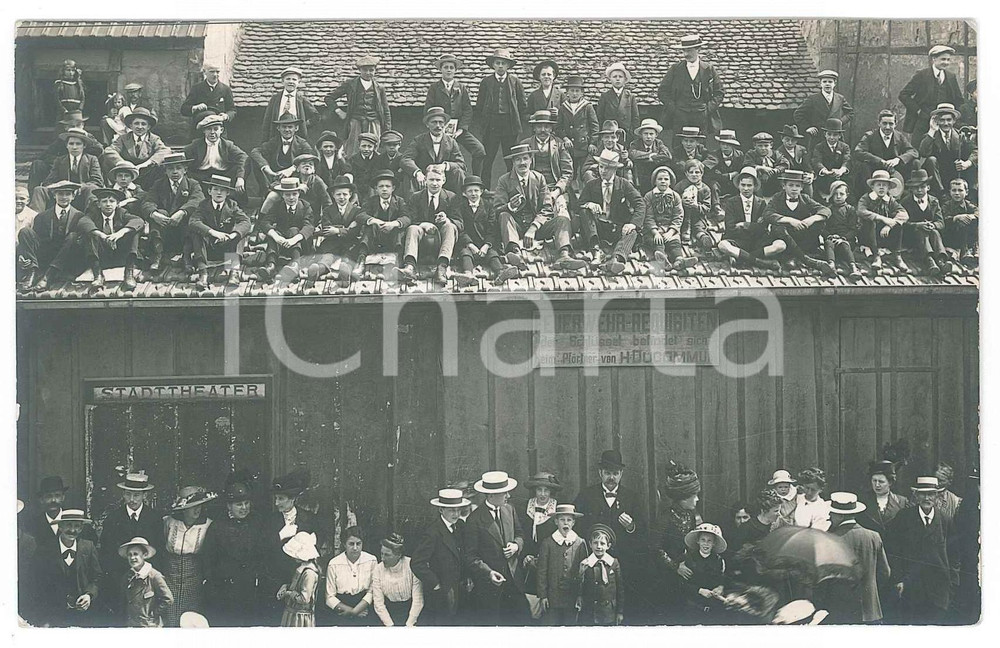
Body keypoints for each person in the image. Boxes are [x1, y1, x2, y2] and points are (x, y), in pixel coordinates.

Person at [573, 450, 646, 619]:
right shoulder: (586, 495)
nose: (611, 478)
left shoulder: (632, 497)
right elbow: (575, 525)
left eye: (615, 473)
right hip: (593, 560)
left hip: (623, 560)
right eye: (607, 473)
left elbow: (643, 530)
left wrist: (631, 526)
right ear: (600, 473)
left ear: (621, 474)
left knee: (621, 601)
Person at [493, 144, 584, 273]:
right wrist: (510, 206)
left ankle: (564, 255)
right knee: (504, 216)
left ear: (531, 160)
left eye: (525, 158)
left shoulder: (539, 178)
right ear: (513, 162)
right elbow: (496, 209)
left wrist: (533, 227)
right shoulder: (504, 180)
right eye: (518, 160)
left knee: (562, 220)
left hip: (537, 227)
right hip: (516, 227)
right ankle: (515, 254)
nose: (522, 163)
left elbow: (547, 207)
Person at [887, 476, 956, 624]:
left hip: (938, 589)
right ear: (916, 495)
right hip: (911, 587)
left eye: (931, 494)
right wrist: (899, 579)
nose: (927, 498)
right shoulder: (904, 517)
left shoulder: (945, 519)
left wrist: (951, 584)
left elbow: (954, 554)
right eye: (923, 494)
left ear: (937, 496)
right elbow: (893, 551)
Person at [463, 470, 528, 625]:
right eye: (504, 493)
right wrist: (489, 573)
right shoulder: (474, 519)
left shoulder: (509, 509)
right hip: (490, 587)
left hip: (514, 582)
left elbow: (520, 534)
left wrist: (516, 546)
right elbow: (470, 557)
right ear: (491, 495)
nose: (508, 496)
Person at [97, 471, 163, 621]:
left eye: (137, 495)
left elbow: (159, 551)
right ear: (123, 494)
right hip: (119, 580)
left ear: (145, 495)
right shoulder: (113, 518)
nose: (132, 499)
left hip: (147, 583)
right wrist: (115, 578)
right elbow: (106, 553)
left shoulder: (155, 518)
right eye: (128, 494)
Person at [201, 472, 262, 627]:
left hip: (249, 590)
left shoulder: (256, 524)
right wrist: (212, 588)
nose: (244, 508)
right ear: (229, 506)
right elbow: (207, 560)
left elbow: (263, 555)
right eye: (239, 504)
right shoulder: (217, 526)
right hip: (224, 591)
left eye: (246, 503)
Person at [28, 508, 102, 627]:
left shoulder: (88, 547)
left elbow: (97, 576)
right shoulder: (45, 550)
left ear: (82, 528)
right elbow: (36, 582)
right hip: (53, 614)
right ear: (60, 527)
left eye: (77, 526)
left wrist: (89, 595)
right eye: (68, 525)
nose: (72, 530)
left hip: (83, 614)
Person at [577, 149, 645, 275]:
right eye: (601, 167)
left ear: (614, 169)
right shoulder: (592, 185)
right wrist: (589, 204)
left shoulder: (624, 184)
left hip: (617, 227)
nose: (603, 171)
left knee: (633, 232)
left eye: (607, 168)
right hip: (598, 228)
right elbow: (579, 204)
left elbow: (640, 204)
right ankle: (596, 252)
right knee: (584, 212)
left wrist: (633, 224)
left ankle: (616, 259)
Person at [261, 469, 316, 624]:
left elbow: (313, 551)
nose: (277, 502)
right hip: (275, 581)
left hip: (300, 585)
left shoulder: (308, 519)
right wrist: (279, 536)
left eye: (281, 499)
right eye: (276, 498)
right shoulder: (269, 521)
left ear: (292, 499)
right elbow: (262, 552)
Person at [650, 463, 703, 623]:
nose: (697, 499)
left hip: (689, 577)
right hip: (668, 580)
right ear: (683, 497)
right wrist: (675, 567)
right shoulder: (664, 519)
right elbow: (655, 549)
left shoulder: (693, 515)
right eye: (694, 496)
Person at [138, 152, 204, 278]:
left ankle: (186, 257)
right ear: (165, 171)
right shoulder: (159, 184)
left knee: (193, 215)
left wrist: (182, 212)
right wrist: (154, 214)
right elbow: (147, 202)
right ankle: (158, 255)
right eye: (170, 168)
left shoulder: (193, 184)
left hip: (184, 232)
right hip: (165, 232)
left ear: (185, 170)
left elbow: (198, 200)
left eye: (178, 168)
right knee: (158, 213)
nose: (175, 172)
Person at [827, 492, 890, 624]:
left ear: (841, 515)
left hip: (840, 610)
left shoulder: (830, 539)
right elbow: (885, 573)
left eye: (832, 513)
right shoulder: (874, 536)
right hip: (871, 611)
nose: (829, 516)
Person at [411, 488, 471, 625]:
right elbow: (417, 563)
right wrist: (435, 584)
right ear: (441, 510)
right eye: (451, 510)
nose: (456, 514)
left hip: (459, 589)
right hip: (442, 593)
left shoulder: (460, 527)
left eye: (458, 510)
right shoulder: (433, 533)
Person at [16, 182, 89, 291]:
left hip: (67, 259)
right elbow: (34, 243)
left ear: (73, 196)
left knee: (73, 236)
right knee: (25, 232)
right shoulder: (42, 216)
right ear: (54, 195)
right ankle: (32, 273)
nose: (64, 197)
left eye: (67, 194)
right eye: (60, 194)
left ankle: (47, 277)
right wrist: (24, 254)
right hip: (46, 257)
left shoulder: (80, 216)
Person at [160, 486, 215, 626]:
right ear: (184, 509)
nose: (197, 510)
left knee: (190, 616)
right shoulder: (169, 522)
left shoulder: (207, 525)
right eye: (192, 507)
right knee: (169, 610)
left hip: (193, 574)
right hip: (171, 572)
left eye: (199, 506)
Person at [397, 164, 459, 286]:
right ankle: (409, 266)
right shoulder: (416, 197)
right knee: (413, 228)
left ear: (444, 180)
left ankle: (442, 268)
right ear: (425, 180)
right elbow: (410, 219)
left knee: (450, 226)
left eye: (438, 180)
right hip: (422, 241)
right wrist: (423, 224)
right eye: (431, 180)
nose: (434, 183)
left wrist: (447, 219)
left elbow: (460, 223)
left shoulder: (452, 197)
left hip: (442, 241)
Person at [425, 53, 486, 177]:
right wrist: (438, 127)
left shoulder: (461, 88)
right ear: (440, 69)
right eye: (445, 67)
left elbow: (468, 110)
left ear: (455, 70)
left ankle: (475, 181)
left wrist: (461, 130)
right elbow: (428, 110)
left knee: (479, 150)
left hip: (458, 130)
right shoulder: (434, 88)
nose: (448, 70)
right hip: (439, 130)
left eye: (451, 67)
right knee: (440, 155)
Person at [187, 174, 251, 289]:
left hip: (227, 249)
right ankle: (203, 273)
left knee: (240, 234)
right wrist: (213, 232)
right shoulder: (203, 205)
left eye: (223, 190)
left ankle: (234, 272)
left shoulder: (232, 205)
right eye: (215, 189)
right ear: (209, 191)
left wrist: (232, 235)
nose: (219, 193)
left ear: (228, 193)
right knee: (196, 232)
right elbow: (193, 221)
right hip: (208, 248)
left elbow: (246, 221)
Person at [476, 48, 528, 189]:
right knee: (487, 160)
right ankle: (485, 190)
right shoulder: (486, 82)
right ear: (493, 65)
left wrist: (522, 123)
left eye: (503, 63)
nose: (500, 66)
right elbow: (480, 105)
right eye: (497, 63)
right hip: (491, 126)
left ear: (508, 66)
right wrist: (484, 123)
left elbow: (523, 105)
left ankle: (512, 190)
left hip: (509, 126)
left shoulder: (515, 82)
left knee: (511, 160)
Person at [657, 34, 725, 140]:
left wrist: (708, 109)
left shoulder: (709, 69)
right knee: (678, 145)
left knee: (700, 146)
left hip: (701, 115)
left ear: (698, 49)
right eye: (684, 51)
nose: (686, 54)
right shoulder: (675, 69)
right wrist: (674, 108)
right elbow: (662, 91)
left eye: (689, 50)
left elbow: (719, 93)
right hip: (680, 116)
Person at [450, 175, 515, 286]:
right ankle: (468, 274)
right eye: (470, 191)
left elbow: (492, 228)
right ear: (464, 193)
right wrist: (470, 245)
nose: (473, 194)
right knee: (465, 254)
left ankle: (500, 273)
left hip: (484, 243)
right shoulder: (459, 206)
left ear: (481, 191)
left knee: (493, 254)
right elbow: (460, 228)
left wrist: (486, 245)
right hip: (467, 243)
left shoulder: (488, 206)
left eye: (476, 190)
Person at [717, 167, 784, 272]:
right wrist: (754, 227)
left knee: (781, 245)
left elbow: (763, 228)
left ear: (755, 186)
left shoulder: (761, 203)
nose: (746, 189)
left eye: (749, 185)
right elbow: (730, 228)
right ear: (738, 185)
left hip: (756, 242)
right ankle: (760, 262)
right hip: (738, 241)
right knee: (723, 245)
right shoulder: (730, 202)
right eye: (743, 185)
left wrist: (745, 225)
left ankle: (742, 258)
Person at [77, 187, 144, 290]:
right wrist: (102, 235)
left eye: (112, 201)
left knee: (133, 232)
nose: (108, 204)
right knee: (90, 234)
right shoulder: (94, 213)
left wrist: (120, 233)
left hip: (121, 255)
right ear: (98, 204)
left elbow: (138, 221)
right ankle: (98, 275)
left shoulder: (122, 213)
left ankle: (129, 273)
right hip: (101, 256)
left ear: (117, 204)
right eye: (104, 201)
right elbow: (83, 222)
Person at [763, 169, 831, 272]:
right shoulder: (777, 198)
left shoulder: (805, 198)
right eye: (791, 185)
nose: (794, 189)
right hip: (786, 237)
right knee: (778, 227)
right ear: (784, 186)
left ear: (802, 188)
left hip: (801, 237)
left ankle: (800, 256)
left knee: (820, 222)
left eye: (797, 186)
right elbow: (767, 214)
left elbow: (826, 210)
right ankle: (805, 259)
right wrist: (790, 220)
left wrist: (812, 219)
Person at [327, 55, 392, 157]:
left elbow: (386, 110)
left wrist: (387, 130)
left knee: (373, 148)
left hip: (374, 122)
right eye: (365, 70)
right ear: (359, 70)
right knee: (353, 149)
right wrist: (339, 111)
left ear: (375, 71)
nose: (368, 73)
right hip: (355, 121)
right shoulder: (350, 84)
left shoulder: (380, 88)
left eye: (371, 70)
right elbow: (329, 98)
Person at [255, 177, 315, 284]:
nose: (291, 198)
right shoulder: (278, 205)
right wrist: (277, 237)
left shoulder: (306, 206)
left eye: (294, 194)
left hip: (300, 246)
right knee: (273, 233)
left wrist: (293, 240)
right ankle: (271, 266)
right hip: (281, 244)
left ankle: (295, 265)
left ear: (299, 194)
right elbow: (265, 222)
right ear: (282, 195)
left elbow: (309, 227)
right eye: (287, 195)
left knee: (293, 230)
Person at [898, 44, 964, 143]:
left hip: (944, 123)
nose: (946, 62)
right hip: (922, 121)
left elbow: (958, 99)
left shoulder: (951, 77)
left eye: (948, 60)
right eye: (943, 59)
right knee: (918, 150)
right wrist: (918, 111)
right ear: (934, 59)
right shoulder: (922, 75)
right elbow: (903, 95)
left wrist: (953, 116)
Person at [29, 127, 103, 213]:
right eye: (71, 144)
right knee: (39, 189)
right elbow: (49, 181)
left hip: (82, 194)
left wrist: (81, 187)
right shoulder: (60, 160)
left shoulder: (91, 159)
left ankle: (91, 219)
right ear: (66, 145)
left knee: (92, 188)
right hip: (62, 193)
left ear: (84, 146)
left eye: (78, 144)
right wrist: (59, 187)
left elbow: (98, 181)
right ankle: (35, 219)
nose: (74, 147)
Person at [304, 174, 362, 283]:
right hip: (331, 243)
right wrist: (345, 229)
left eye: (345, 194)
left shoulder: (357, 211)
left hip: (349, 243)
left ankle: (345, 273)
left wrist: (337, 230)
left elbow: (356, 231)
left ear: (350, 195)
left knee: (347, 259)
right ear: (333, 195)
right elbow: (326, 227)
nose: (341, 197)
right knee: (327, 258)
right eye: (338, 194)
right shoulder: (327, 210)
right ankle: (317, 271)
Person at [535, 503, 587, 625]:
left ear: (573, 523)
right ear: (556, 522)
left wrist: (580, 595)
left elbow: (583, 572)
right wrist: (543, 596)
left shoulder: (580, 543)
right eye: (562, 520)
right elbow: (542, 571)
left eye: (569, 520)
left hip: (572, 597)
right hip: (552, 597)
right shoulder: (548, 543)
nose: (566, 523)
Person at [520, 471, 562, 620]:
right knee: (530, 599)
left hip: (550, 561)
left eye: (546, 490)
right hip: (528, 562)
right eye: (539, 490)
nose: (543, 494)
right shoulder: (525, 508)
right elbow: (521, 534)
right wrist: (526, 555)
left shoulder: (557, 509)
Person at [642, 165, 699, 274]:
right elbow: (648, 217)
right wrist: (655, 232)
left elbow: (678, 216)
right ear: (655, 181)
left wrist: (671, 231)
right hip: (654, 230)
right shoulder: (649, 196)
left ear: (670, 181)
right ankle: (663, 260)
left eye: (666, 179)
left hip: (669, 228)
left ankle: (679, 261)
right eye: (660, 179)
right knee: (658, 242)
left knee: (674, 242)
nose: (663, 181)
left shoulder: (675, 196)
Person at [183, 114, 249, 203]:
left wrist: (240, 178)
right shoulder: (196, 145)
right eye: (209, 129)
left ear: (221, 130)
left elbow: (243, 157)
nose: (212, 132)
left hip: (222, 176)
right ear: (204, 131)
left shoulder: (227, 145)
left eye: (215, 129)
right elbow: (182, 156)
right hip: (201, 177)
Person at [853, 109, 919, 196]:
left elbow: (913, 152)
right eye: (884, 123)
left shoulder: (899, 136)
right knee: (864, 165)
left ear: (895, 124)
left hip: (894, 170)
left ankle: (908, 194)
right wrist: (879, 161)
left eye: (891, 124)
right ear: (879, 123)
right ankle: (869, 196)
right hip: (875, 169)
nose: (887, 127)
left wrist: (898, 159)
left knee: (915, 162)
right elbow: (858, 151)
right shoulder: (870, 136)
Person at [402, 106, 468, 193]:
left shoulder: (451, 142)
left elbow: (461, 164)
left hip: (446, 181)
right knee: (409, 174)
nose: (438, 126)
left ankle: (460, 203)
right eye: (434, 122)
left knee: (459, 172)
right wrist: (417, 173)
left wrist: (444, 166)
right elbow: (406, 159)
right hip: (424, 180)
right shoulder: (419, 140)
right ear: (427, 124)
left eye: (441, 122)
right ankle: (411, 205)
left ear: (445, 125)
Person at [900, 169, 952, 277]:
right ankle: (930, 261)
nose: (919, 190)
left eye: (922, 187)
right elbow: (902, 224)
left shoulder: (934, 201)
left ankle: (941, 261)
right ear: (911, 189)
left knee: (935, 232)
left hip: (932, 237)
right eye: (916, 187)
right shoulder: (905, 202)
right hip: (913, 238)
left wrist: (933, 225)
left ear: (928, 187)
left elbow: (941, 222)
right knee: (921, 232)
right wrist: (917, 225)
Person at [918, 102, 977, 198]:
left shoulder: (961, 136)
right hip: (938, 178)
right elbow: (923, 152)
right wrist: (932, 130)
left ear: (954, 121)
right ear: (937, 121)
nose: (945, 123)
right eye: (942, 120)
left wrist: (967, 163)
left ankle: (970, 195)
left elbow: (975, 151)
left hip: (956, 175)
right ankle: (943, 196)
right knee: (931, 160)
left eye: (949, 120)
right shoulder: (930, 135)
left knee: (973, 164)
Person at [250, 113, 318, 195]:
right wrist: (268, 169)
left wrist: (291, 169)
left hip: (294, 179)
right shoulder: (274, 141)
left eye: (290, 127)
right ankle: (266, 192)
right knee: (254, 160)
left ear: (296, 128)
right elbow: (255, 151)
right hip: (275, 177)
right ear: (278, 128)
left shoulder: (302, 143)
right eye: (284, 127)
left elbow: (310, 156)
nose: (287, 130)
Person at [520, 109, 574, 212]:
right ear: (534, 128)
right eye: (539, 126)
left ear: (551, 128)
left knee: (561, 212)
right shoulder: (525, 145)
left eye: (546, 127)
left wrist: (557, 191)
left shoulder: (559, 144)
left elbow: (568, 172)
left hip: (554, 187)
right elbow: (519, 171)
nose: (543, 130)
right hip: (531, 188)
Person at [857, 169, 909, 274]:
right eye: (878, 185)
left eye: (884, 185)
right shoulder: (866, 198)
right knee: (871, 222)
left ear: (888, 188)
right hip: (867, 235)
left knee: (898, 223)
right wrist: (882, 218)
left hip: (883, 235)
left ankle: (897, 256)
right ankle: (876, 256)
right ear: (873, 187)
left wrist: (889, 225)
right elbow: (861, 211)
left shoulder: (890, 200)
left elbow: (904, 214)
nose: (881, 187)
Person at [102, 107, 169, 188]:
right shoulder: (123, 138)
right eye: (136, 123)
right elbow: (109, 150)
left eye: (143, 124)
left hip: (146, 175)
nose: (140, 127)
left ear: (148, 127)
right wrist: (124, 164)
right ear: (131, 125)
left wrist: (147, 163)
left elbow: (164, 150)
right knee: (106, 160)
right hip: (127, 175)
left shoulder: (153, 139)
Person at [324, 525, 377, 625]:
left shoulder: (371, 560)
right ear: (344, 544)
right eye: (351, 544)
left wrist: (356, 611)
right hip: (342, 609)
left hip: (364, 607)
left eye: (358, 544)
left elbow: (372, 590)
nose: (355, 548)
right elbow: (329, 597)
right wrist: (350, 611)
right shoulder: (334, 563)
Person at [793, 69, 855, 151]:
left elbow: (850, 113)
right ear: (820, 83)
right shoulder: (813, 99)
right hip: (818, 137)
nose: (827, 84)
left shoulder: (840, 98)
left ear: (834, 83)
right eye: (824, 81)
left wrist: (839, 122)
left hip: (835, 136)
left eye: (830, 82)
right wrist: (807, 127)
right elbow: (798, 114)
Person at [118, 537, 173, 628]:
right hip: (131, 624)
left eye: (136, 554)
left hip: (149, 625)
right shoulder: (127, 576)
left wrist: (152, 614)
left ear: (144, 555)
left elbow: (168, 599)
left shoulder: (154, 576)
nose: (132, 558)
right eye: (129, 555)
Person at [371, 533, 424, 626]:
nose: (382, 558)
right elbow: (378, 603)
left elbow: (418, 599)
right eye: (381, 553)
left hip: (412, 613)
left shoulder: (411, 566)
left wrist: (409, 624)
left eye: (387, 555)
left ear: (398, 555)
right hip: (387, 615)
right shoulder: (378, 569)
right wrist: (390, 625)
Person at [355, 169, 407, 263]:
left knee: (398, 230)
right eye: (381, 186)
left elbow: (406, 217)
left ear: (393, 188)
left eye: (387, 186)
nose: (384, 189)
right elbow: (360, 215)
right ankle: (361, 259)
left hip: (393, 237)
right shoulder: (371, 201)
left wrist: (393, 224)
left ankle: (399, 260)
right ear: (376, 188)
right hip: (376, 237)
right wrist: (374, 220)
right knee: (368, 228)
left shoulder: (399, 201)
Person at [576, 523, 624, 625]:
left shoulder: (613, 563)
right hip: (590, 612)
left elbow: (620, 589)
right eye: (595, 543)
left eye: (602, 543)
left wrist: (620, 612)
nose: (598, 547)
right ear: (590, 544)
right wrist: (580, 573)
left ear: (608, 546)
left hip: (609, 612)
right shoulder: (586, 563)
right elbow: (579, 587)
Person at [678, 523, 727, 620]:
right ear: (698, 541)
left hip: (713, 607)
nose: (706, 543)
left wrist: (720, 587)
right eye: (703, 540)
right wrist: (699, 591)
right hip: (693, 606)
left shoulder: (718, 560)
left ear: (713, 543)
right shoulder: (689, 559)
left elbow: (721, 579)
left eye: (709, 541)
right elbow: (683, 584)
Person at [728, 489, 781, 579]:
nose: (779, 514)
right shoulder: (746, 528)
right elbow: (736, 556)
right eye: (776, 511)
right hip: (752, 575)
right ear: (764, 510)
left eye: (779, 510)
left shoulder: (779, 525)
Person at [556, 75, 599, 186]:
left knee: (584, 173)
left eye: (577, 91)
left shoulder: (587, 107)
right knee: (570, 173)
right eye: (572, 91)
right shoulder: (563, 108)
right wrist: (565, 138)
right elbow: (558, 127)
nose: (574, 93)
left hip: (584, 146)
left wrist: (593, 143)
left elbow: (594, 126)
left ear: (582, 93)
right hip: (569, 148)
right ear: (567, 92)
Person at [261, 66, 320, 143]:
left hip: (296, 138)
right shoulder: (275, 99)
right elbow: (267, 121)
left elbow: (316, 116)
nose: (291, 82)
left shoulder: (301, 100)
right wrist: (265, 141)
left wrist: (303, 126)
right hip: (276, 136)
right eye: (288, 79)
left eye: (294, 79)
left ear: (298, 82)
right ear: (282, 81)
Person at [821, 180, 864, 279]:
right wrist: (830, 236)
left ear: (847, 195)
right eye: (835, 194)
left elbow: (854, 229)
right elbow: (823, 228)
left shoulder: (850, 209)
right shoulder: (828, 210)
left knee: (844, 245)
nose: (838, 196)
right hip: (832, 241)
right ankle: (831, 265)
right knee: (828, 243)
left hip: (847, 241)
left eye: (841, 194)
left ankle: (853, 267)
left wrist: (843, 238)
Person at [858, 459, 911, 539]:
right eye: (874, 481)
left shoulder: (902, 502)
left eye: (881, 481)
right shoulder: (863, 502)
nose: (877, 485)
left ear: (890, 483)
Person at [278, 531, 321, 627]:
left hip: (300, 618)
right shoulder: (301, 568)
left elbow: (304, 598)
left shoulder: (309, 573)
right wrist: (286, 586)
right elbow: (296, 586)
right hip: (292, 613)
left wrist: (288, 593)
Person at [674, 158, 717, 252]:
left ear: (702, 174)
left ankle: (703, 237)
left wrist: (696, 206)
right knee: (680, 224)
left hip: (698, 216)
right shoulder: (680, 185)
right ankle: (684, 234)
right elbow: (673, 200)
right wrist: (681, 201)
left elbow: (707, 207)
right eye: (691, 172)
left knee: (698, 228)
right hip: (683, 215)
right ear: (686, 173)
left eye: (697, 172)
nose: (694, 175)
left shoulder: (705, 189)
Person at [180, 63, 236, 135]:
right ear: (204, 72)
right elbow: (184, 109)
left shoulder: (225, 89)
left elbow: (232, 110)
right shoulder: (197, 88)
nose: (215, 74)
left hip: (218, 130)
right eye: (212, 72)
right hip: (200, 131)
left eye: (217, 72)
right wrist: (195, 107)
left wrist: (225, 116)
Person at [597, 62, 640, 147]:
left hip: (626, 136)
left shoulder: (630, 97)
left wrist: (632, 134)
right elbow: (599, 117)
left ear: (625, 79)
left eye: (620, 77)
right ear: (610, 79)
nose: (617, 79)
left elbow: (635, 118)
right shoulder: (605, 96)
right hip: (609, 136)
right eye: (614, 76)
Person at [629, 118, 673, 194]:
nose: (648, 136)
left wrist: (651, 158)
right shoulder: (635, 143)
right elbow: (633, 154)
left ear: (656, 135)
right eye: (645, 134)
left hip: (655, 174)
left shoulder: (659, 143)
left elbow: (667, 155)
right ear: (641, 135)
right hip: (641, 175)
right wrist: (650, 156)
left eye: (651, 134)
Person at [810, 118, 851, 199]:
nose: (831, 137)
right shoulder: (819, 147)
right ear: (825, 134)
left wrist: (841, 170)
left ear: (839, 136)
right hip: (824, 179)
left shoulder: (844, 147)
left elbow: (847, 160)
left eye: (835, 135)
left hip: (841, 177)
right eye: (829, 134)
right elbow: (816, 161)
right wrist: (825, 171)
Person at [941, 178, 978, 266]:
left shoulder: (968, 204)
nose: (957, 193)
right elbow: (943, 218)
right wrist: (956, 218)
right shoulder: (946, 205)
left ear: (966, 192)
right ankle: (960, 252)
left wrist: (970, 216)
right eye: (954, 190)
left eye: (960, 190)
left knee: (969, 220)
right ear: (950, 192)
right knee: (960, 222)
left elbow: (979, 212)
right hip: (951, 236)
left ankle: (969, 250)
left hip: (966, 237)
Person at [743, 132, 789, 197]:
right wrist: (761, 168)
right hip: (758, 184)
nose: (763, 148)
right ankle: (759, 199)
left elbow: (785, 164)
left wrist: (772, 171)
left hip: (773, 182)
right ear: (754, 145)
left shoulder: (776, 154)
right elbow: (747, 165)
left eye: (766, 145)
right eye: (760, 146)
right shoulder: (751, 154)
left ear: (771, 145)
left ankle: (778, 197)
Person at [704, 129, 745, 201]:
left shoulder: (740, 155)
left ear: (733, 145)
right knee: (713, 184)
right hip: (720, 184)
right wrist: (730, 175)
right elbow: (711, 175)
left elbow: (741, 171)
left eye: (728, 144)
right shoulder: (714, 155)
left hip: (734, 185)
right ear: (719, 144)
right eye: (723, 144)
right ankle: (717, 207)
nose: (725, 147)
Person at [777, 124, 814, 197]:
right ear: (782, 139)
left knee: (808, 183)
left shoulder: (802, 150)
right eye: (787, 140)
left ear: (797, 140)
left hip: (801, 179)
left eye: (793, 140)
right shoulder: (778, 152)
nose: (790, 143)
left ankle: (808, 203)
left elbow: (807, 165)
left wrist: (811, 175)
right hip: (786, 180)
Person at [345, 132, 382, 202]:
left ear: (374, 147)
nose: (366, 149)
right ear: (359, 146)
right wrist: (355, 193)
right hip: (358, 192)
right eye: (363, 146)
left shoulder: (380, 159)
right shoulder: (353, 160)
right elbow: (351, 178)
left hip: (375, 192)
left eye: (370, 146)